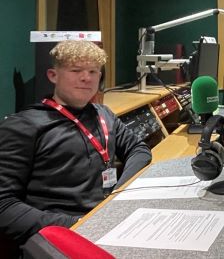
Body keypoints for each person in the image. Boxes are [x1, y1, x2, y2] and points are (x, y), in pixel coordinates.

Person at [0, 40, 152, 254]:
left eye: (93, 71)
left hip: (106, 222)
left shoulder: (103, 114)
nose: (86, 78)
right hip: (61, 235)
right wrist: (79, 224)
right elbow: (4, 205)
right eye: (76, 70)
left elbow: (139, 149)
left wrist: (119, 194)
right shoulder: (22, 126)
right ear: (53, 75)